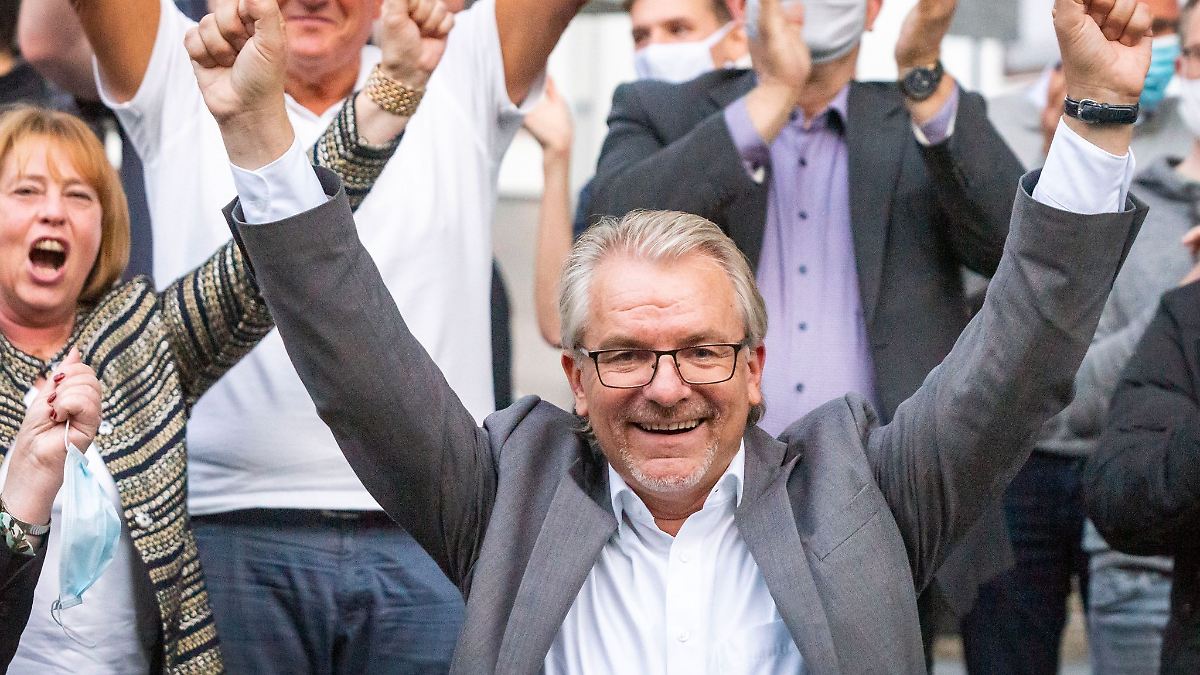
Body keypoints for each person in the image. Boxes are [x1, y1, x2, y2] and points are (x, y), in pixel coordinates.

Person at [200, 0, 1149, 670]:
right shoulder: (505, 500)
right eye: (624, 354)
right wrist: (255, 134)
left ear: (754, 368)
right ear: (576, 377)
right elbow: (357, 363)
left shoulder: (864, 494)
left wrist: (1099, 111)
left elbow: (1019, 356)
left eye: (702, 350)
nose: (666, 385)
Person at [21, 0, 588, 668]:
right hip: (230, 522)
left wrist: (405, 75)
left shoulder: (447, 59)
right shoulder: (191, 64)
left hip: (432, 531)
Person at [585, 0, 1025, 653]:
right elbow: (604, 239)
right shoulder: (662, 109)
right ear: (743, 7)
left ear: (872, 10)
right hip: (702, 491)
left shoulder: (916, 118)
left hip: (880, 501)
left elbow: (1020, 252)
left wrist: (923, 71)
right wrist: (773, 95)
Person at [0, 82, 400, 670]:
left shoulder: (138, 341)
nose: (54, 212)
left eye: (79, 195)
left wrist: (393, 90)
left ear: (104, 228)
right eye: (26, 191)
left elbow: (270, 246)